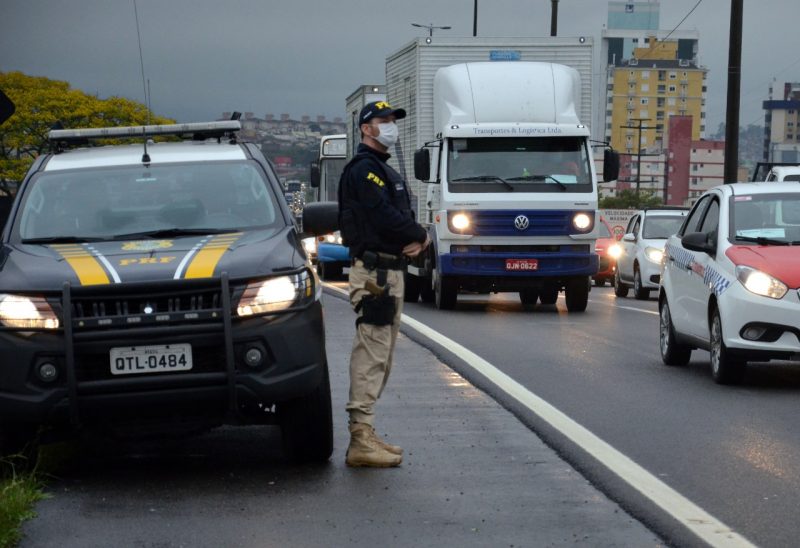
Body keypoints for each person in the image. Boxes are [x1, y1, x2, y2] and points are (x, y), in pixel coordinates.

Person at [337, 101, 431, 468]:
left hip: (389, 272)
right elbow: (383, 215)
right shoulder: (364, 170)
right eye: (384, 120)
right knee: (372, 353)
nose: (391, 125)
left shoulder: (381, 168)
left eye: (393, 120)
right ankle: (360, 439)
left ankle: (366, 431)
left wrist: (416, 238)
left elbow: (394, 216)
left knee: (381, 357)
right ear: (366, 128)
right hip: (375, 274)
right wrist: (420, 234)